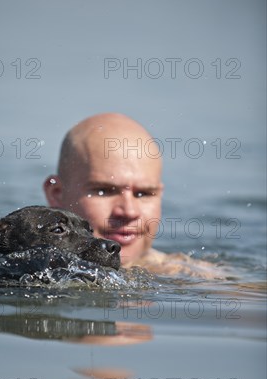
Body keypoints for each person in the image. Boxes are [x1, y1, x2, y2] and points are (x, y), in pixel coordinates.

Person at [44, 112, 222, 277]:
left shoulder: (194, 276)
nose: (129, 211)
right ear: (57, 194)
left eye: (144, 193)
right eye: (104, 191)